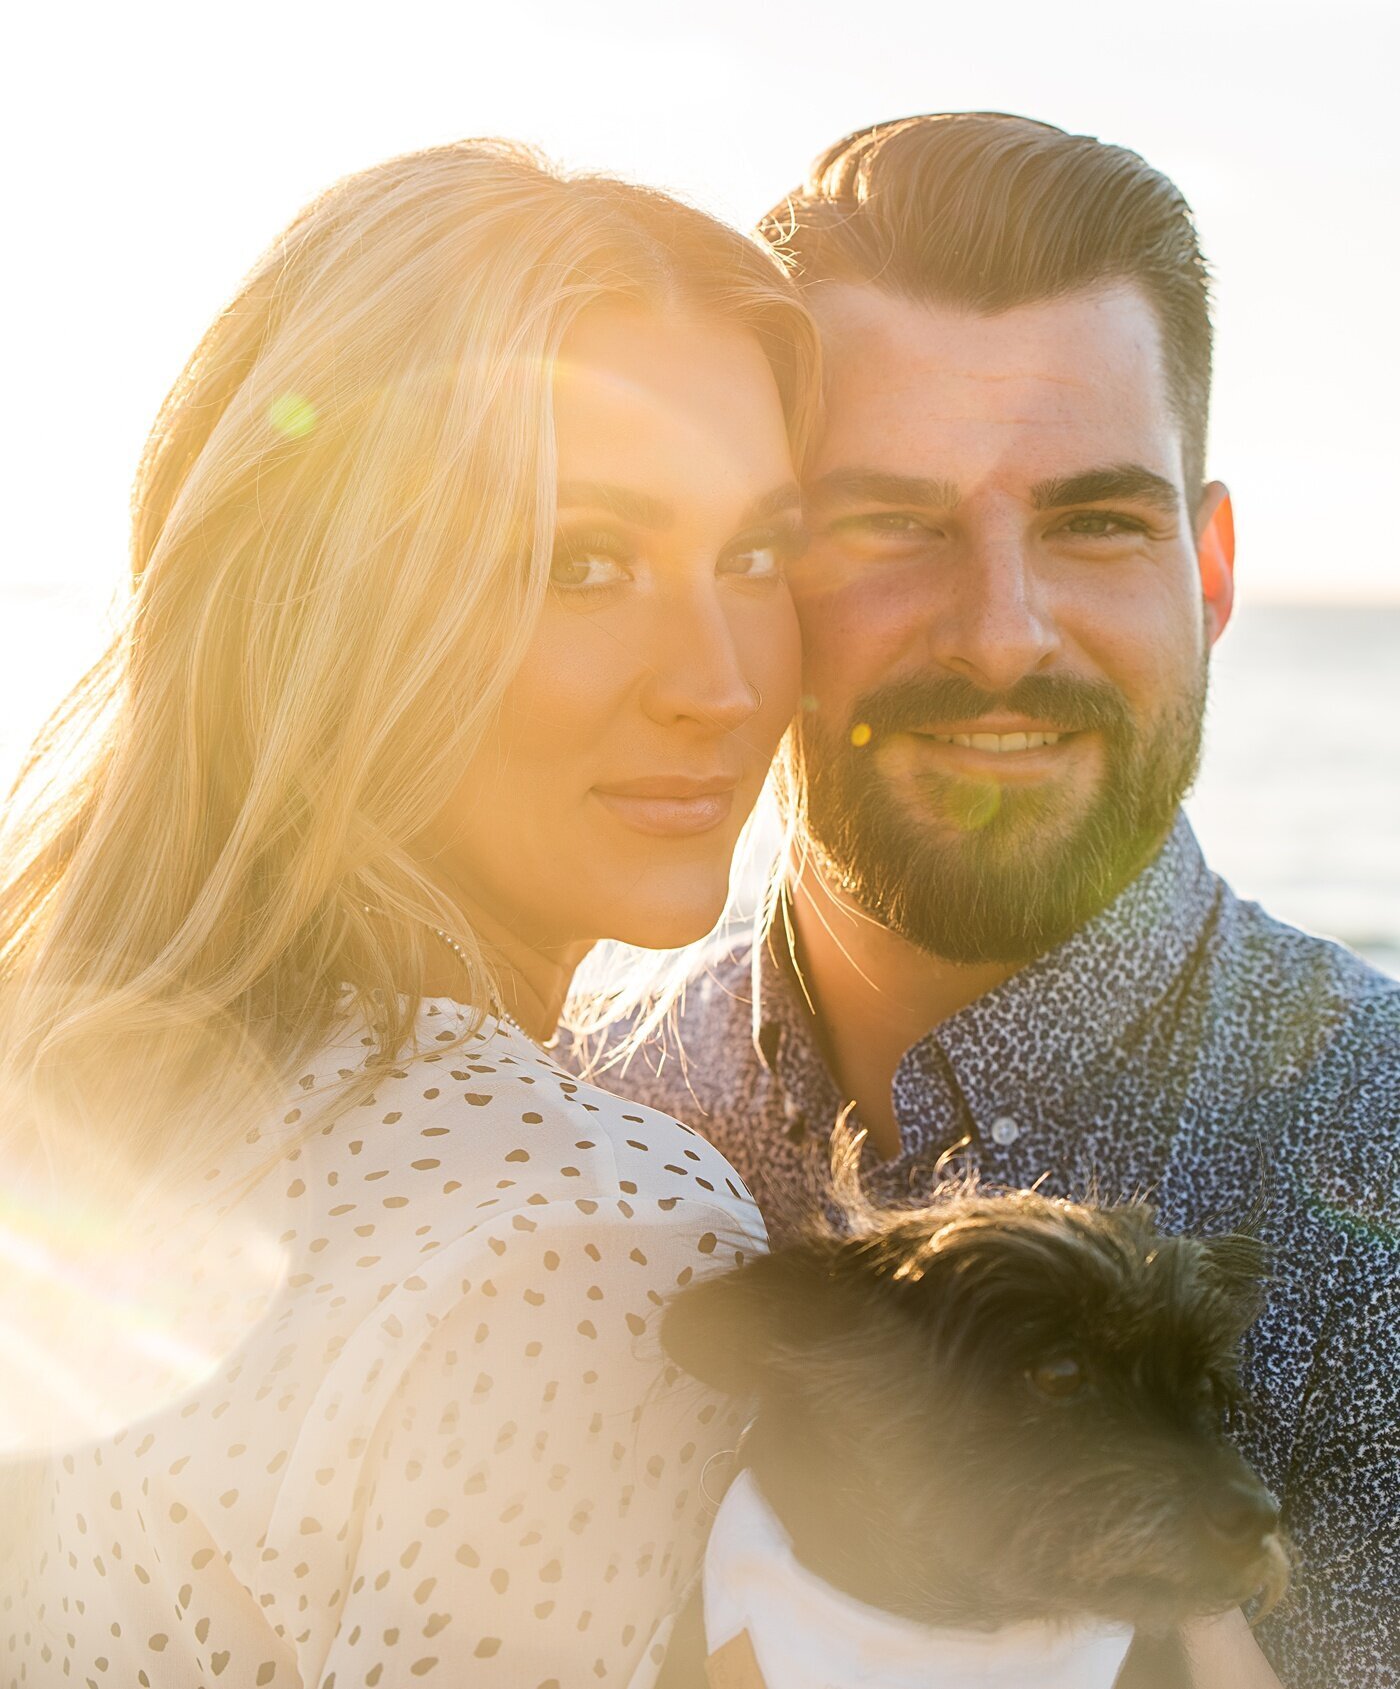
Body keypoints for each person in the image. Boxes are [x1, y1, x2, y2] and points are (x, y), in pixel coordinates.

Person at [572, 113, 1400, 1689]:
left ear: (1210, 572)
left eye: (1096, 519)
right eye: (891, 521)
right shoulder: (562, 1099)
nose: (1006, 633)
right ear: (759, 572)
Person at [0, 139, 820, 1686]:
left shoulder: (88, 1080)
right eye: (585, 561)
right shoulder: (592, 1241)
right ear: (333, 598)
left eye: (757, 553)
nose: (721, 680)